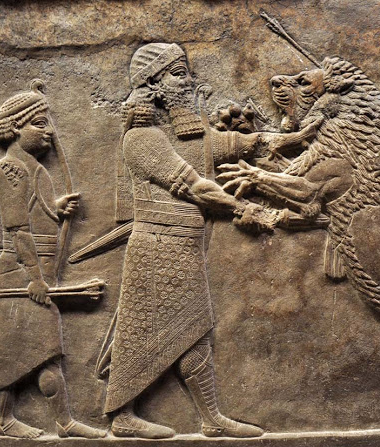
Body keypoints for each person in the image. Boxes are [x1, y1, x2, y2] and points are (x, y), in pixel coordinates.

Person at [104, 43, 319, 439]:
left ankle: (210, 419)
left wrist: (297, 135)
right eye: (178, 74)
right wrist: (243, 208)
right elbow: (194, 186)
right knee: (139, 333)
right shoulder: (142, 139)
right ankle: (121, 416)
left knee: (194, 330)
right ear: (153, 84)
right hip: (156, 249)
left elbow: (236, 145)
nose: (189, 81)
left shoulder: (179, 136)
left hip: (183, 247)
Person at [0, 80, 106, 439]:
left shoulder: (33, 168)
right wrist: (35, 277)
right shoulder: (10, 169)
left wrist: (56, 208)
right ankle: (6, 420)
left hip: (38, 272)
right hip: (20, 272)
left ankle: (63, 422)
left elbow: (35, 211)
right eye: (39, 124)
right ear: (15, 128)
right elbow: (18, 228)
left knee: (46, 350)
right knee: (11, 354)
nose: (49, 131)